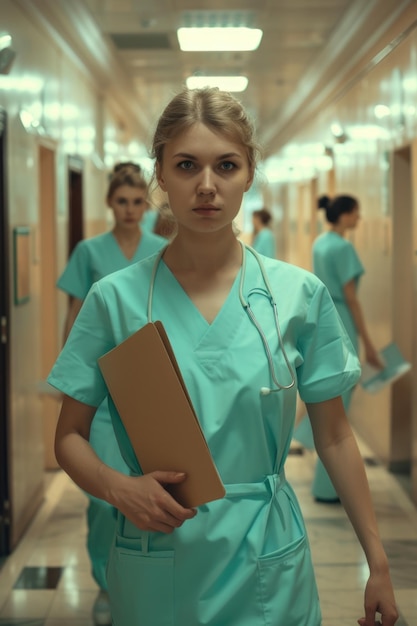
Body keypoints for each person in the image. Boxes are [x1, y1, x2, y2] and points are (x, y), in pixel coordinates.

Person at [48, 88, 398, 626]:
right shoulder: (115, 300)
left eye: (226, 165)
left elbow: (333, 435)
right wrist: (120, 489)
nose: (206, 186)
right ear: (160, 175)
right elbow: (68, 435)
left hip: (268, 553)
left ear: (249, 173)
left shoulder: (298, 297)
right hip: (158, 550)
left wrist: (377, 561)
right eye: (187, 165)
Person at [57, 162, 166, 625]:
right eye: (121, 201)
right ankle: (105, 578)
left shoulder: (163, 250)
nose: (129, 210)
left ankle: (141, 583)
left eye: (137, 201)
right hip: (101, 390)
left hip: (150, 387)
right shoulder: (89, 251)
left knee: (152, 490)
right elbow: (76, 312)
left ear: (147, 204)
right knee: (104, 500)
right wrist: (68, 375)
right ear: (109, 203)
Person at [294, 193, 383, 502]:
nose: (359, 219)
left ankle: (323, 472)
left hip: (324, 316)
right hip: (343, 316)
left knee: (329, 400)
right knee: (339, 409)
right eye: (357, 213)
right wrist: (369, 343)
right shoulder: (343, 247)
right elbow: (353, 297)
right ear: (345, 215)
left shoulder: (320, 242)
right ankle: (329, 486)